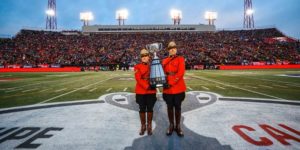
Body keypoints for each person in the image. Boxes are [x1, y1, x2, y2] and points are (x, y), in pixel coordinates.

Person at [162, 41, 186, 137]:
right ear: (168, 50)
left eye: (174, 48)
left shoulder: (180, 59)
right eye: (170, 48)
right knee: (169, 107)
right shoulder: (164, 61)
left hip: (178, 87)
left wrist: (170, 83)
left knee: (178, 107)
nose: (172, 49)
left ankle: (178, 126)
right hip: (167, 88)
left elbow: (180, 73)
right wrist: (163, 82)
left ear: (176, 49)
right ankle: (171, 125)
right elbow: (162, 73)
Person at [134, 49, 157, 135]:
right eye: (142, 56)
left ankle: (149, 126)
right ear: (141, 58)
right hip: (141, 91)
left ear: (149, 57)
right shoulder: (137, 66)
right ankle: (143, 126)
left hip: (151, 92)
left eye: (146, 56)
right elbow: (138, 79)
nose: (144, 57)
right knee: (142, 108)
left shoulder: (153, 66)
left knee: (150, 108)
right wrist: (147, 86)